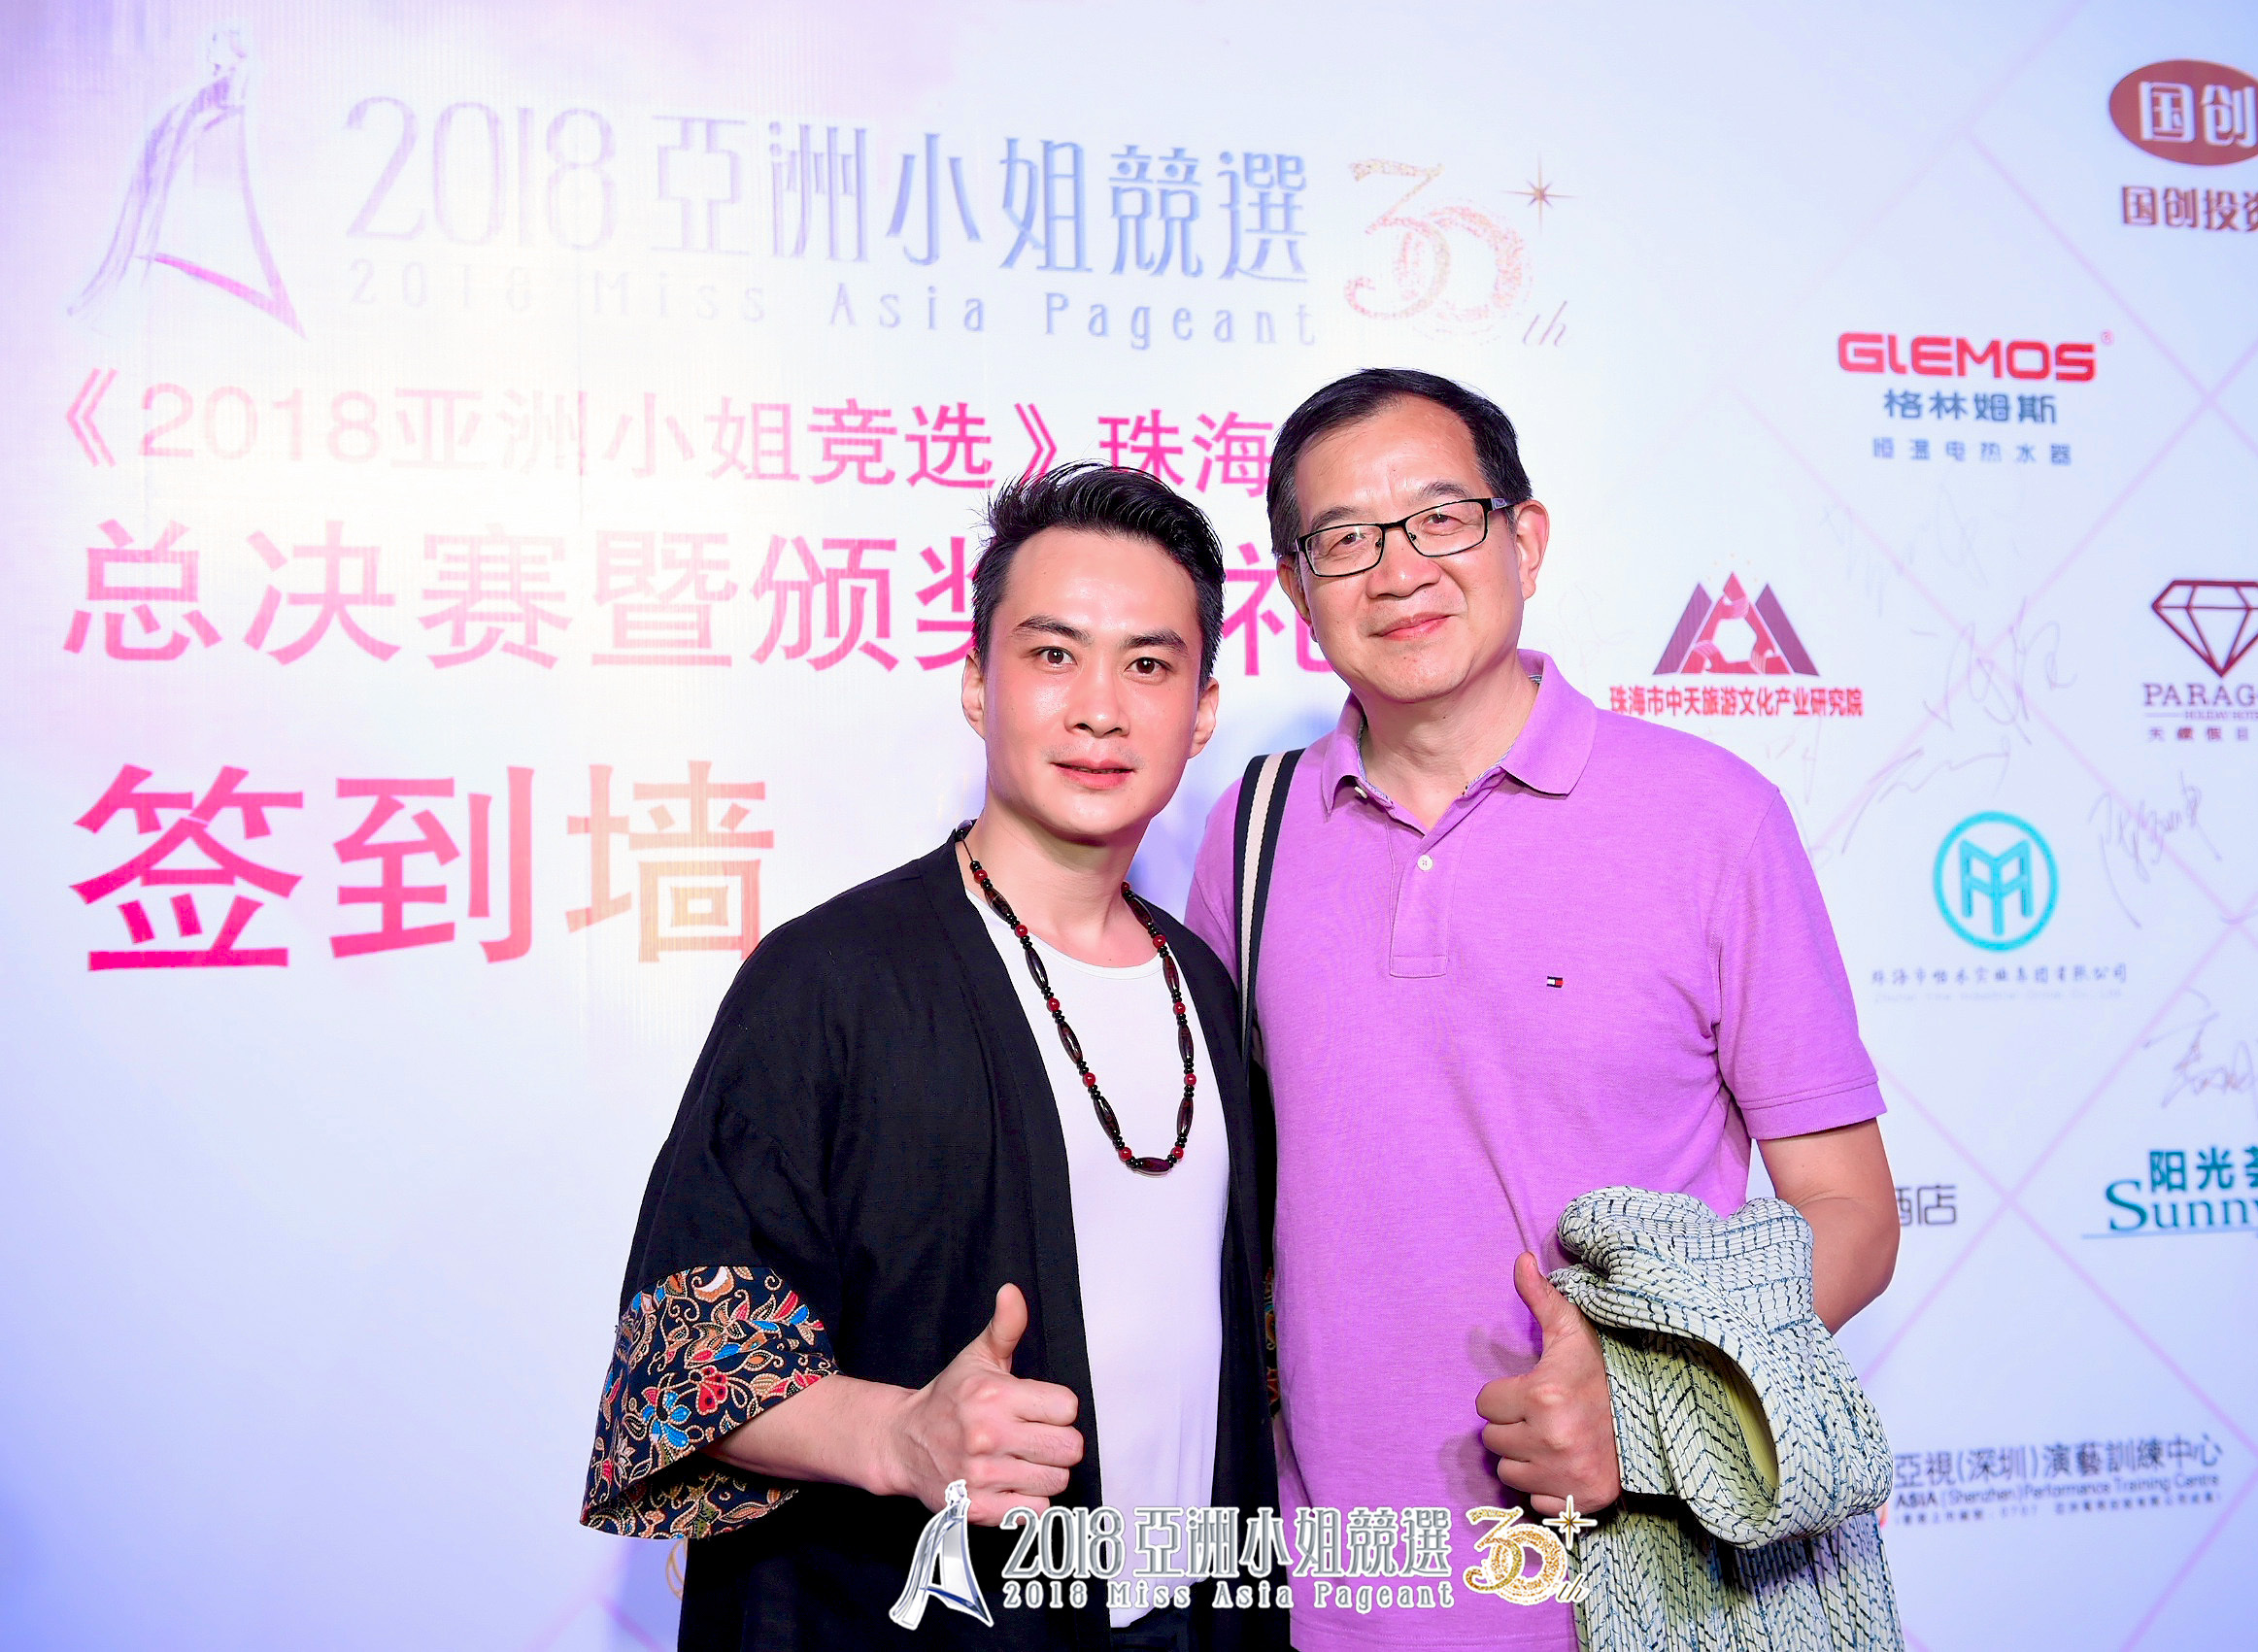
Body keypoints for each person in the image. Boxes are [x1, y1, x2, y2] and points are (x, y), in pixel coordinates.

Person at [1186, 369, 1901, 1652]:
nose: (1398, 570)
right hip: (1335, 1593)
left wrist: (1652, 1409)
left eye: (1441, 517)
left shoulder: (1712, 819)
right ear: (1295, 590)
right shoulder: (1254, 832)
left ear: (1525, 538)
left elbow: (1850, 1210)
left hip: (1644, 1589)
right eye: (1344, 539)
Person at [583, 463, 1285, 1652]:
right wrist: (901, 1434)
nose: (1099, 709)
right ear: (976, 683)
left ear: (1202, 710)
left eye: (1148, 665)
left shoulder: (1206, 988)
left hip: (1190, 1615)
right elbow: (680, 1367)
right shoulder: (831, 979)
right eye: (1052, 654)